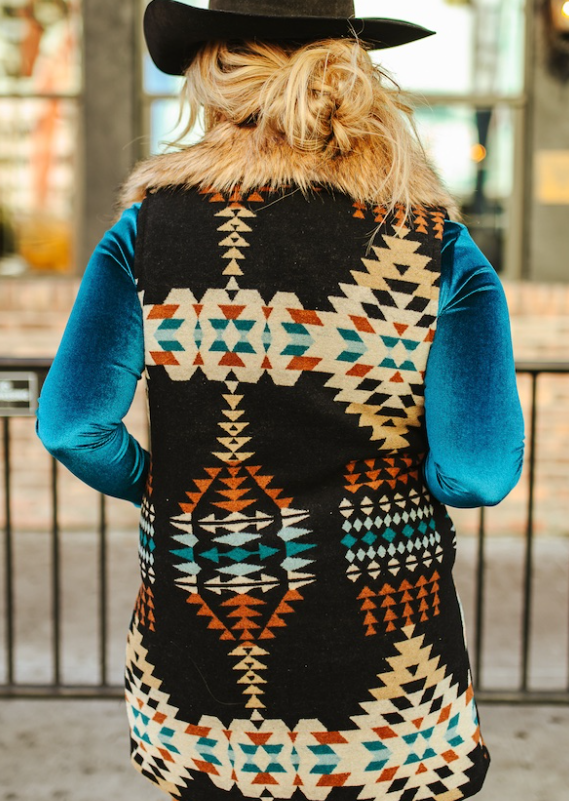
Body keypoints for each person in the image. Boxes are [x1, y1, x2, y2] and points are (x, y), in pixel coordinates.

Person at [36, 1, 525, 800]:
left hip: (201, 655)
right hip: (385, 667)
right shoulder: (431, 243)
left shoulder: (148, 232)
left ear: (218, 72)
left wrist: (165, 485)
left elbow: (72, 423)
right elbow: (476, 472)